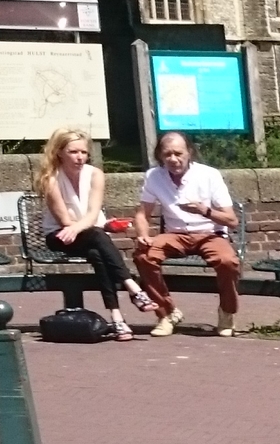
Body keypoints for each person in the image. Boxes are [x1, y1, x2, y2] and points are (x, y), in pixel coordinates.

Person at [34, 127, 150, 339]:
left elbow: (93, 213)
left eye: (84, 152)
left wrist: (92, 226)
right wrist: (88, 226)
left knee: (97, 253)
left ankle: (117, 319)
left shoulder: (95, 174)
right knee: (97, 235)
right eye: (73, 152)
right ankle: (133, 288)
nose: (80, 157)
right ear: (59, 152)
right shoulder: (50, 178)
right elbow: (65, 221)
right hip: (60, 236)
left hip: (87, 233)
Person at [134, 132, 243, 337]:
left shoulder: (209, 175)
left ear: (189, 152)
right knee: (144, 255)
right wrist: (143, 234)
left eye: (178, 153)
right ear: (160, 155)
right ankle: (167, 314)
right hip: (175, 234)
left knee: (227, 261)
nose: (173, 159)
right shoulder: (154, 176)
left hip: (210, 233)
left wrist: (204, 210)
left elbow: (232, 220)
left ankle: (227, 312)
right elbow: (142, 213)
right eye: (167, 154)